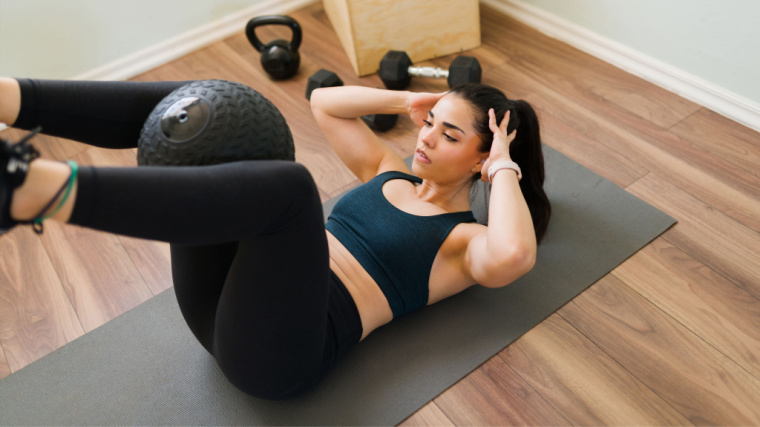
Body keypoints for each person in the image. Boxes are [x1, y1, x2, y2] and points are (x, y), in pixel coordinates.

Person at [0, 77, 550, 400]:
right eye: (429, 123)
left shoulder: (463, 240)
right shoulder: (389, 169)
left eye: (448, 133)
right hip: (219, 303)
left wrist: (503, 166)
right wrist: (411, 100)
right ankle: (10, 96)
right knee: (214, 105)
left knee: (291, 190)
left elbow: (514, 254)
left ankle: (29, 188)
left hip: (280, 356)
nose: (426, 137)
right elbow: (325, 102)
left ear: (482, 157)